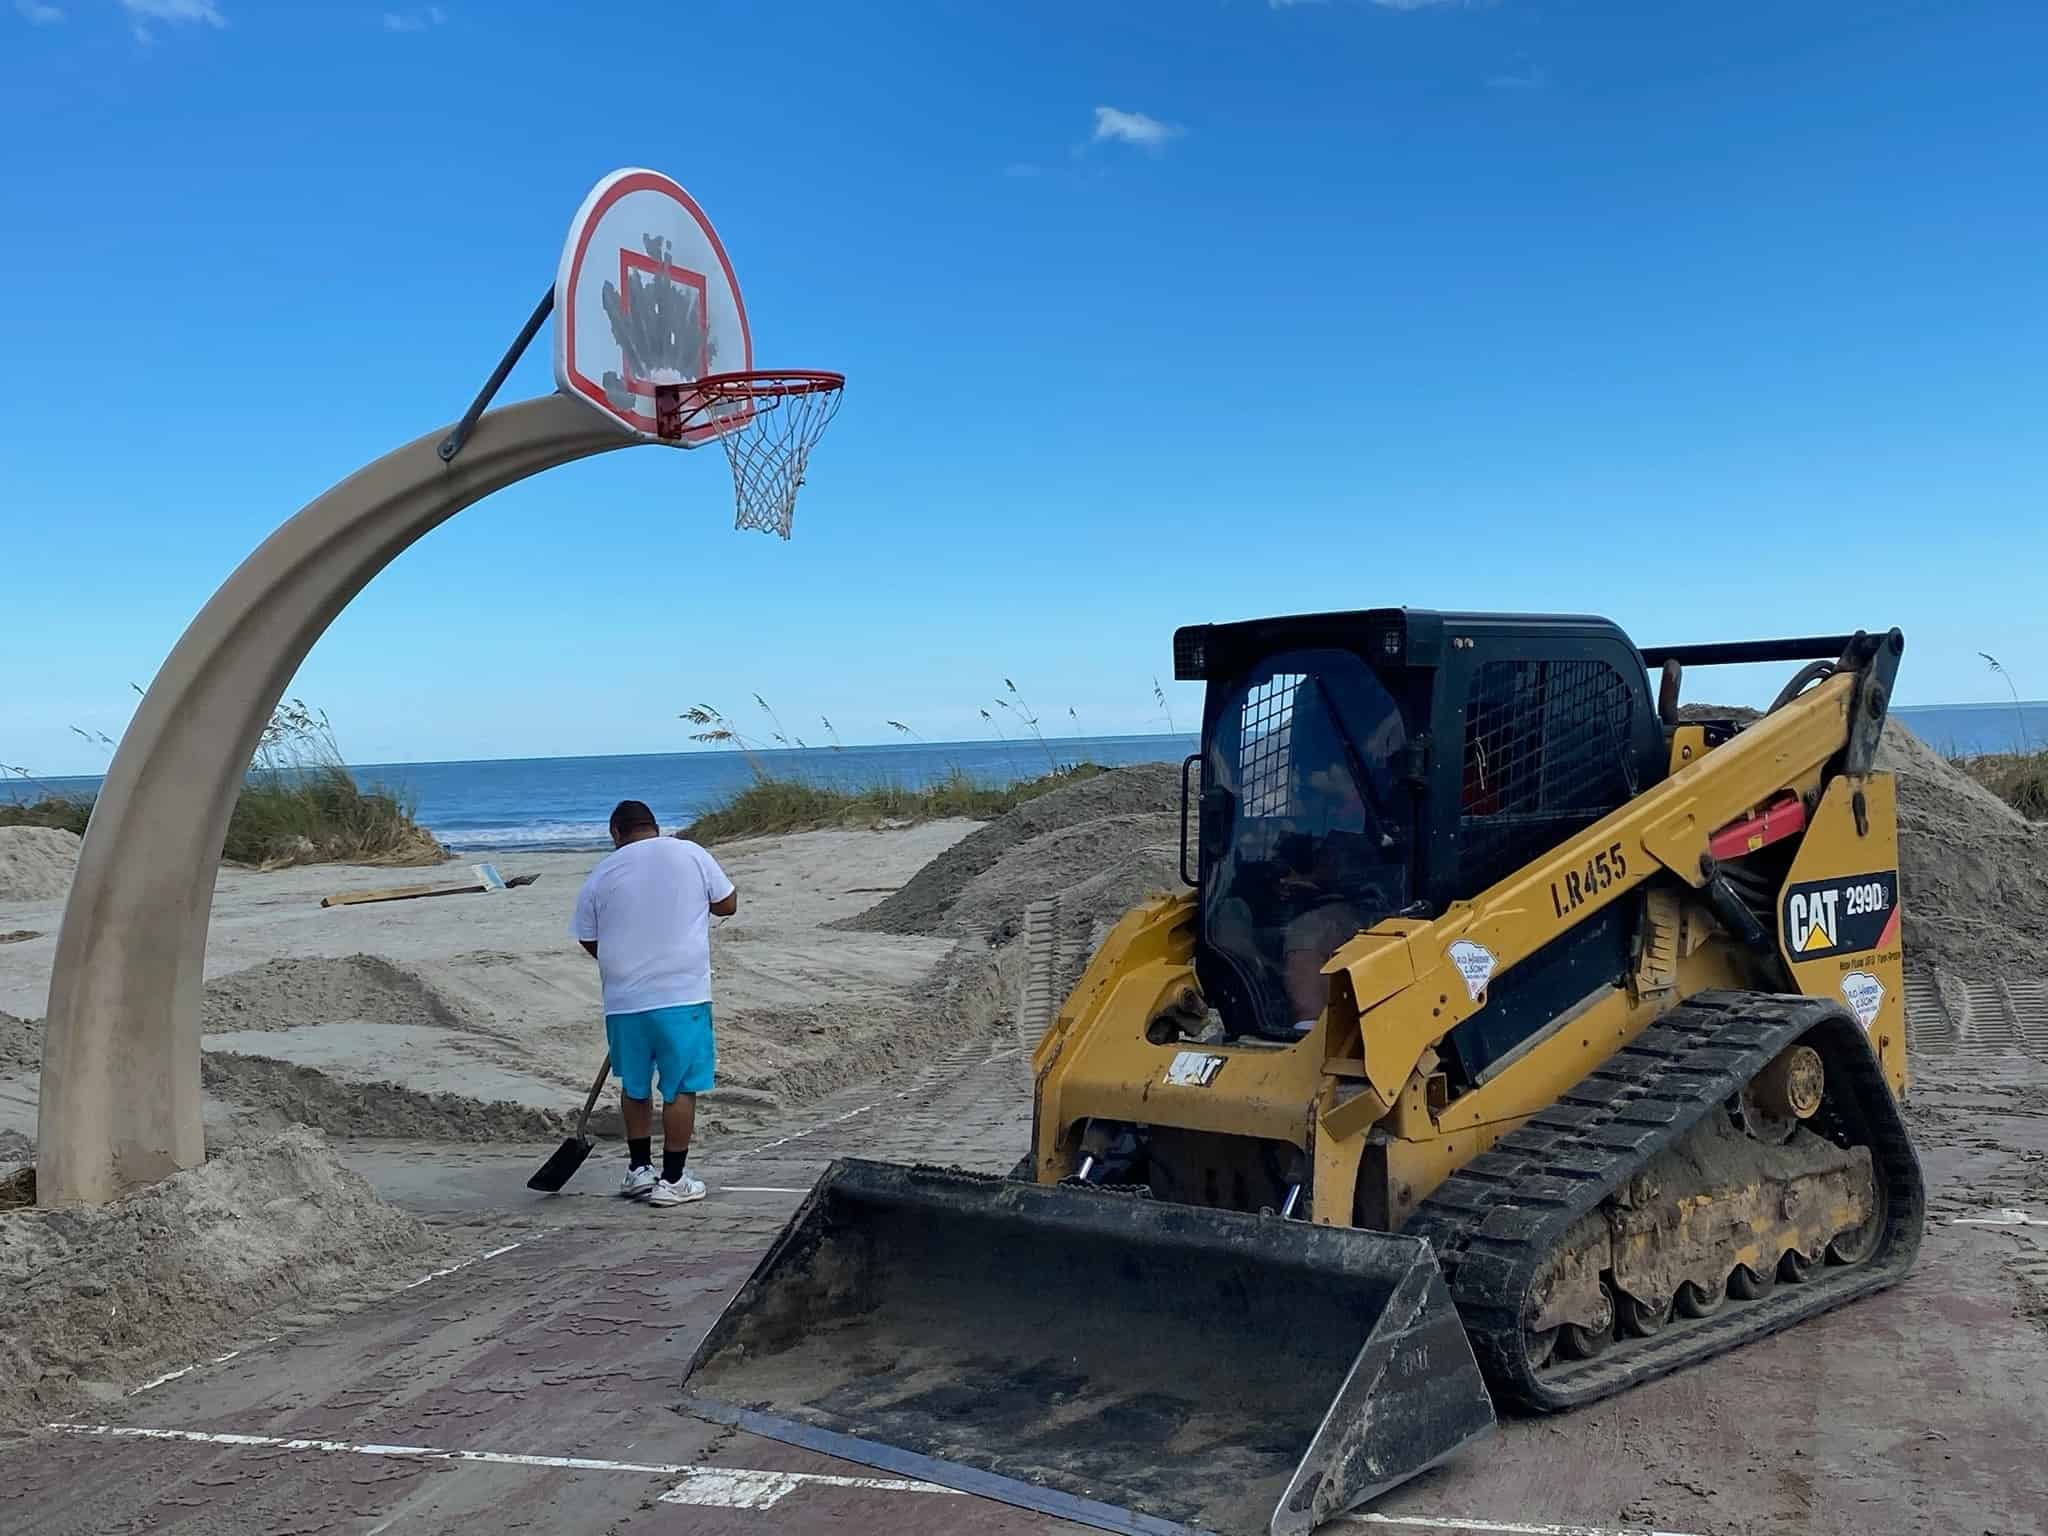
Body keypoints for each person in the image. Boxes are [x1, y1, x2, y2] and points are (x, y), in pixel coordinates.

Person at [570, 799, 737, 1208]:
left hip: (625, 998)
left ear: (615, 833)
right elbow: (727, 904)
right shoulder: (691, 852)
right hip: (681, 993)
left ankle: (640, 1170)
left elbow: (588, 938)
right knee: (679, 1085)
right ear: (655, 827)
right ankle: (674, 1179)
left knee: (636, 1085)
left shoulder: (600, 874)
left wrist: (625, 965)